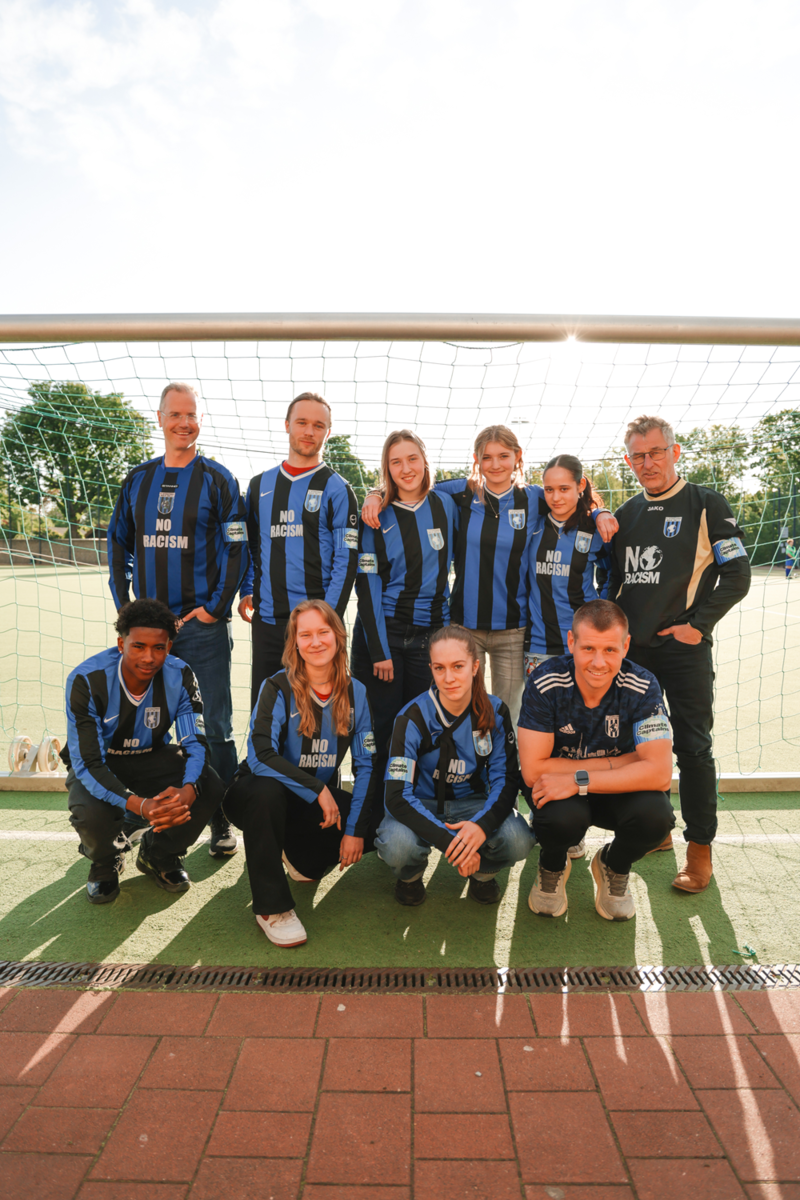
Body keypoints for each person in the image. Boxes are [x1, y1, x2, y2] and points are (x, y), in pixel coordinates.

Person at [362, 425, 617, 731]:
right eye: (487, 457)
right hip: (463, 626)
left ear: (517, 457)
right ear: (476, 460)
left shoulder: (535, 497)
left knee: (509, 714)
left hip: (513, 629)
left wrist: (599, 512)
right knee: (461, 711)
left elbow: (571, 497)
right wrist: (374, 495)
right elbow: (411, 487)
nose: (495, 464)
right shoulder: (458, 493)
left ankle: (505, 776)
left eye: (503, 456)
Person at [607, 415, 751, 893]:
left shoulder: (706, 504)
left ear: (675, 451)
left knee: (693, 748)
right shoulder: (625, 514)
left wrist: (698, 625)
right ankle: (658, 833)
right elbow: (614, 584)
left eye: (656, 453)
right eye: (638, 456)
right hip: (636, 655)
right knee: (639, 747)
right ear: (629, 460)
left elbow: (737, 576)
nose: (647, 463)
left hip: (684, 652)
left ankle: (700, 849)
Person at [107, 382, 247, 858]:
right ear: (161, 418)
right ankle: (139, 813)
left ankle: (220, 819)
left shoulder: (218, 479)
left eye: (192, 415)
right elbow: (117, 543)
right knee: (143, 728)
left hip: (201, 628)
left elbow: (236, 547)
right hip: (148, 636)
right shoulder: (138, 480)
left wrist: (214, 606)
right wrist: (123, 605)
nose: (184, 423)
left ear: (198, 421)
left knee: (214, 726)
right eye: (175, 414)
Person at [224, 600, 376, 948]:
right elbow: (260, 756)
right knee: (267, 793)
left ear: (338, 637)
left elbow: (365, 764)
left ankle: (299, 856)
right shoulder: (276, 687)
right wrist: (318, 791)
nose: (316, 641)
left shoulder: (357, 692)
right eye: (305, 634)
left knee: (377, 818)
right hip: (255, 795)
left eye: (323, 632)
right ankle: (271, 909)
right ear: (295, 643)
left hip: (305, 806)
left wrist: (354, 830)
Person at [518, 599, 675, 921]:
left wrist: (579, 778)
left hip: (609, 792)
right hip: (565, 796)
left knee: (656, 817)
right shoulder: (545, 682)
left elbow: (659, 773)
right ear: (571, 642)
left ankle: (613, 866)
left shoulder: (643, 686)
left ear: (626, 645)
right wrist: (626, 762)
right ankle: (553, 864)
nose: (599, 662)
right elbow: (533, 769)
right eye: (588, 648)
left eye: (610, 650)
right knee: (557, 817)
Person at [63, 599, 226, 904]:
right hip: (103, 763)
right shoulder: (87, 680)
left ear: (169, 646)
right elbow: (88, 762)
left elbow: (195, 742)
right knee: (90, 810)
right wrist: (140, 805)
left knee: (210, 784)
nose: (149, 657)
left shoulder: (181, 675)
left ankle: (159, 854)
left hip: (153, 756)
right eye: (138, 646)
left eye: (159, 648)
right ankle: (105, 861)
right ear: (121, 643)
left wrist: (189, 788)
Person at [376, 624, 535, 907]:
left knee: (518, 839)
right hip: (419, 802)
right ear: (431, 669)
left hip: (472, 803)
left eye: (458, 666)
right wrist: (452, 843)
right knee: (399, 846)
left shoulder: (495, 711)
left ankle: (483, 875)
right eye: (439, 668)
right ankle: (410, 877)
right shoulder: (410, 717)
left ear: (475, 666)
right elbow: (396, 795)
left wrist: (481, 826)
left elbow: (507, 780)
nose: (448, 678)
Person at [351, 430, 458, 830]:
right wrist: (380, 650)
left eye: (412, 459)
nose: (406, 469)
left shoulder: (447, 505)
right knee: (378, 732)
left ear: (425, 460)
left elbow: (478, 481)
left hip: (428, 640)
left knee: (419, 729)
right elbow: (368, 585)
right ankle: (371, 819)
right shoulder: (376, 517)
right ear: (387, 469)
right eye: (396, 462)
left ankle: (411, 816)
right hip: (382, 639)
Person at [238, 392, 358, 711]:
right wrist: (248, 589)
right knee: (265, 714)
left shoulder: (338, 489)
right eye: (302, 422)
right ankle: (262, 763)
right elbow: (251, 546)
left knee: (317, 717)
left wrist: (324, 621)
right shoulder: (258, 486)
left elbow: (346, 562)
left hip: (316, 630)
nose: (309, 431)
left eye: (318, 425)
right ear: (287, 425)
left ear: (327, 432)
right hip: (268, 621)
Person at [526, 454, 611, 672]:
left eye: (564, 489)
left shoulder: (595, 531)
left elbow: (613, 574)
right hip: (539, 644)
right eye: (549, 490)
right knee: (540, 706)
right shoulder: (533, 525)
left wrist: (602, 609)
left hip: (586, 642)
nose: (555, 497)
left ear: (580, 485)